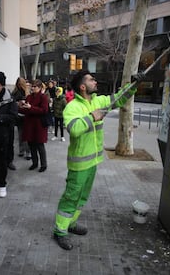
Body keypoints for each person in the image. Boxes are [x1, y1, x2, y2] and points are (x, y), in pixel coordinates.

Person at [53, 70, 137, 250]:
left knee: (82, 197)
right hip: (79, 164)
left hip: (92, 162)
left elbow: (118, 98)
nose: (95, 81)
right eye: (91, 80)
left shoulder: (98, 101)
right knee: (71, 197)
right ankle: (60, 231)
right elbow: (74, 129)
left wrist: (134, 84)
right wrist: (92, 117)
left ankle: (71, 223)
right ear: (83, 87)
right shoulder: (73, 106)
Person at [19, 79, 49, 172]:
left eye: (34, 86)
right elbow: (25, 110)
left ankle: (43, 165)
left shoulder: (43, 97)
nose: (32, 88)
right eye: (32, 86)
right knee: (31, 144)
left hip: (39, 125)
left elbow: (44, 110)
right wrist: (20, 107)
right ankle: (34, 163)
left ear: (40, 88)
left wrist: (31, 107)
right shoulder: (29, 97)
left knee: (40, 145)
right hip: (29, 124)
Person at [11, 77, 31, 160]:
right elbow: (11, 102)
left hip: (26, 115)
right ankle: (21, 150)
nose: (19, 85)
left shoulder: (27, 92)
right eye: (18, 84)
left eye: (20, 84)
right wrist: (17, 103)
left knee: (26, 135)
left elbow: (30, 103)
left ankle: (28, 152)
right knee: (20, 134)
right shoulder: (14, 92)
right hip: (18, 115)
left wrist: (24, 103)